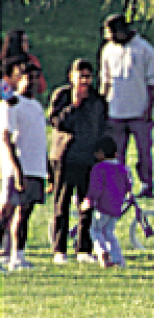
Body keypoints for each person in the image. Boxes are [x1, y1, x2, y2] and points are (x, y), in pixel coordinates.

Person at [47, 60, 110, 263]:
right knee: (62, 204)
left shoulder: (98, 101)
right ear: (71, 76)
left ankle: (83, 248)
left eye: (87, 76)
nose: (84, 81)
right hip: (65, 157)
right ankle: (59, 249)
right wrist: (74, 105)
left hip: (88, 158)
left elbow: (102, 127)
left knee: (87, 204)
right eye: (80, 76)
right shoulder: (62, 96)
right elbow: (57, 122)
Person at [99, 14, 154, 197]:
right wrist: (103, 105)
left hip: (139, 111)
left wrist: (148, 108)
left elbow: (153, 80)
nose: (108, 37)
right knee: (117, 154)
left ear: (121, 31)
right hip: (115, 110)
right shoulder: (108, 50)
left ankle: (146, 184)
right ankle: (120, 186)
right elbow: (106, 80)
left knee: (143, 152)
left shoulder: (144, 49)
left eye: (111, 33)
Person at [1, 59, 51, 271]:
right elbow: (6, 138)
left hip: (36, 166)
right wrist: (17, 169)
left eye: (35, 78)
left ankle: (18, 256)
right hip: (18, 168)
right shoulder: (12, 104)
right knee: (8, 212)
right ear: (19, 80)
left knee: (26, 212)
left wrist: (47, 168)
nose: (31, 82)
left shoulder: (37, 106)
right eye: (27, 78)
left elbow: (39, 139)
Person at [83, 137, 132, 267]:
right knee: (109, 232)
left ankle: (102, 252)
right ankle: (118, 258)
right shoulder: (122, 168)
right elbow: (128, 187)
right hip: (116, 207)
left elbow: (96, 188)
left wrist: (89, 200)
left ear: (101, 153)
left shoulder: (99, 168)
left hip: (102, 206)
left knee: (95, 230)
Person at [1, 32, 46, 103]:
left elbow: (41, 87)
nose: (27, 44)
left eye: (27, 41)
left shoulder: (32, 59)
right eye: (23, 41)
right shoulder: (3, 62)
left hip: (27, 102)